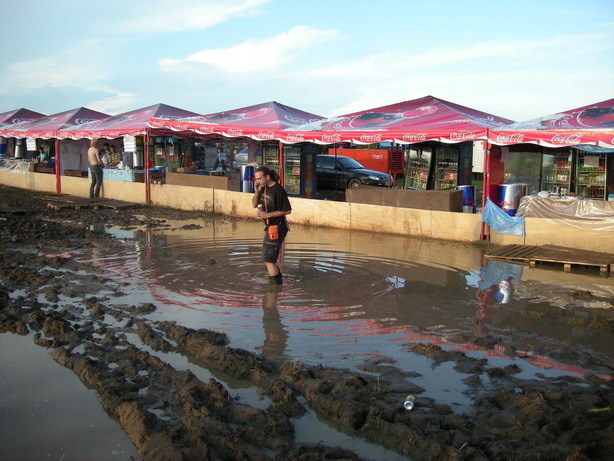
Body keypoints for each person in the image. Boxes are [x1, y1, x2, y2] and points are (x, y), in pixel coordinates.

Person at [252, 166, 291, 284]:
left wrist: (267, 215)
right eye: (256, 179)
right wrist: (257, 191)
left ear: (267, 177)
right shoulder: (263, 189)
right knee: (267, 258)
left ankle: (274, 289)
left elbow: (287, 210)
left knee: (269, 259)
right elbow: (254, 204)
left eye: (259, 179)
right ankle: (278, 281)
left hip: (277, 227)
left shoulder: (278, 190)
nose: (257, 181)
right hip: (269, 227)